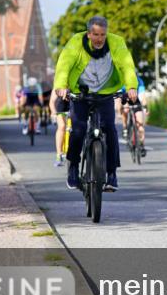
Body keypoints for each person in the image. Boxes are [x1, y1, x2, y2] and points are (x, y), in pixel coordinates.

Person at [53, 16, 138, 192]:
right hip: (80, 93)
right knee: (78, 129)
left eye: (102, 35)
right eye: (95, 34)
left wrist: (131, 86)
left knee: (110, 129)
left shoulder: (116, 42)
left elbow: (127, 65)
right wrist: (61, 86)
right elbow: (64, 64)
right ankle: (74, 168)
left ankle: (112, 174)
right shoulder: (76, 41)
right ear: (88, 33)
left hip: (105, 93)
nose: (99, 38)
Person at [119, 75, 148, 156]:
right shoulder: (123, 80)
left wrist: (145, 107)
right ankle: (125, 127)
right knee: (125, 109)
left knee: (140, 124)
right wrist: (121, 106)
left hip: (136, 100)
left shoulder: (139, 81)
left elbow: (142, 96)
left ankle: (141, 145)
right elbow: (120, 95)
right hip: (126, 98)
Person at [50, 88, 70, 167]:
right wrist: (54, 112)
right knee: (62, 126)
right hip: (61, 105)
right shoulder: (59, 83)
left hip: (74, 103)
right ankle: (59, 154)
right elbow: (52, 102)